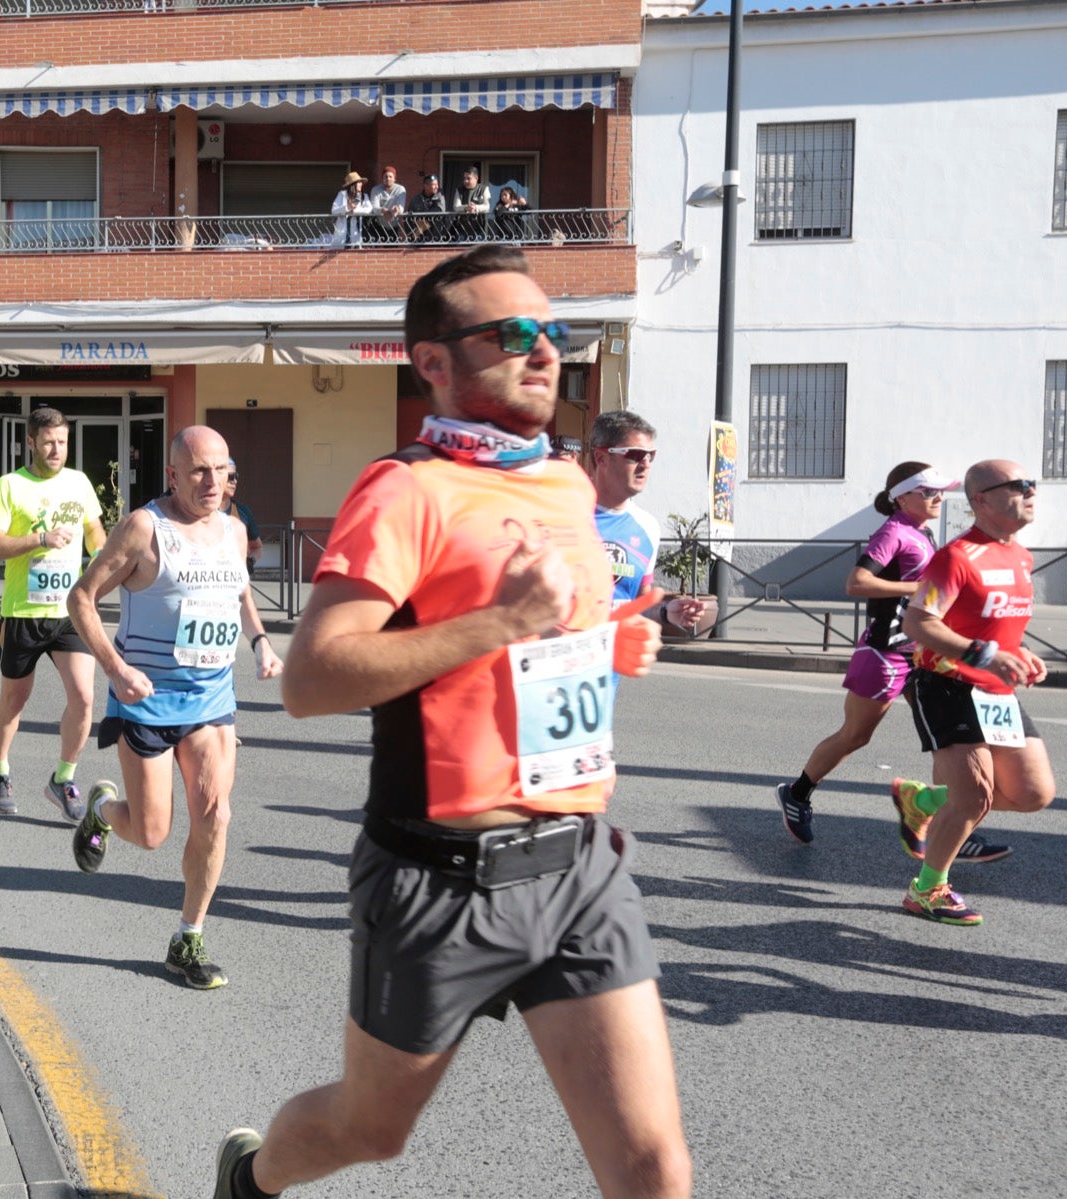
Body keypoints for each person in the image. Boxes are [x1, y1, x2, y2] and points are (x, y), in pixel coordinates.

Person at [212, 246, 689, 1199]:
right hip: (441, 879)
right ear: (432, 360)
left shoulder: (564, 483)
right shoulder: (405, 490)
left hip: (581, 864)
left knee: (651, 1168)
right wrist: (496, 624)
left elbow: (547, 641)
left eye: (552, 331)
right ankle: (252, 1178)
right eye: (510, 334)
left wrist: (610, 641)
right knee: (369, 1129)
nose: (544, 350)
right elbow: (311, 678)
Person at [66, 426, 282, 991]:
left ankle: (189, 936)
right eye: (199, 472)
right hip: (147, 700)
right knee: (153, 832)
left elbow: (237, 592)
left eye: (222, 470)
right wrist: (115, 669)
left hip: (212, 698)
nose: (213, 482)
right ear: (173, 475)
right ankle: (103, 812)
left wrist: (259, 641)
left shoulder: (234, 531)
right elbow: (81, 598)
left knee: (216, 814)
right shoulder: (145, 528)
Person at [771, 462, 1006, 858]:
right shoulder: (893, 532)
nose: (938, 498)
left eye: (940, 491)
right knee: (855, 735)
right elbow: (856, 582)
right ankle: (797, 794)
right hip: (884, 653)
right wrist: (919, 585)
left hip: (922, 654)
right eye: (928, 491)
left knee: (945, 741)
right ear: (902, 497)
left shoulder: (922, 532)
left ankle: (946, 822)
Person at [894, 462, 1054, 926]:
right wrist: (984, 655)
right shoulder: (957, 556)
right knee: (972, 797)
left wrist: (1020, 653)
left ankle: (922, 801)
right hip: (945, 683)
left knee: (1033, 793)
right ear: (981, 500)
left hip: (996, 689)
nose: (1030, 493)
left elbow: (991, 624)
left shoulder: (1021, 557)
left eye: (1032, 485)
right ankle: (927, 890)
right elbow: (918, 623)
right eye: (1019, 486)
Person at [0, 406, 108, 817]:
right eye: (48, 442)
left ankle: (64, 778)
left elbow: (93, 531)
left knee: (85, 698)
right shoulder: (10, 486)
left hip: (69, 611)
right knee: (14, 702)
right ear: (30, 442)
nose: (57, 450)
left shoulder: (80, 482)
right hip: (22, 612)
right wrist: (39, 538)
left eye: (63, 442)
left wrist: (104, 561)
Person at [589, 411, 704, 631]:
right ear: (601, 458)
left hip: (617, 663)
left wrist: (665, 611)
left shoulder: (647, 526)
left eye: (651, 455)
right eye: (634, 454)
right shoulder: (564, 514)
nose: (645, 463)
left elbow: (639, 605)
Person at [220, 461, 262, 575]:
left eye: (236, 476)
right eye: (230, 477)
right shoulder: (199, 512)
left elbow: (257, 547)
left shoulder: (243, 511)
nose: (235, 481)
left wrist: (250, 561)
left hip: (237, 585)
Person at [330, 171, 374, 249]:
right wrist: (347, 208)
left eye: (361, 182)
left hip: (357, 229)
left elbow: (369, 209)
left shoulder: (363, 196)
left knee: (355, 250)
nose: (361, 184)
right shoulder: (342, 194)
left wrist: (354, 211)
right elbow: (334, 210)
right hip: (343, 230)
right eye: (359, 182)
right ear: (353, 184)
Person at [449, 165, 491, 242]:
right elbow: (456, 207)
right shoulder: (459, 190)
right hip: (461, 229)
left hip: (479, 229)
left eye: (468, 178)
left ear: (476, 178)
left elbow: (487, 206)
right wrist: (466, 207)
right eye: (464, 178)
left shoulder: (484, 189)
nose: (466, 181)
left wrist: (476, 208)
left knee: (478, 253)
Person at [367, 165, 406, 244]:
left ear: (395, 178)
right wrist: (383, 211)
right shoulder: (376, 189)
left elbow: (401, 207)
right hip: (377, 224)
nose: (388, 179)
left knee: (392, 251)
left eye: (390, 177)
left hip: (393, 225)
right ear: (382, 178)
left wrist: (396, 210)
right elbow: (374, 207)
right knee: (374, 252)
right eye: (386, 177)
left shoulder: (400, 189)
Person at [407, 173, 446, 243]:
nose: (437, 187)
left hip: (435, 237)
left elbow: (440, 210)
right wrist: (410, 234)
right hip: (419, 239)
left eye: (437, 184)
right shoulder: (416, 199)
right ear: (425, 186)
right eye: (434, 184)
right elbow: (408, 218)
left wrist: (424, 216)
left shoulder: (440, 195)